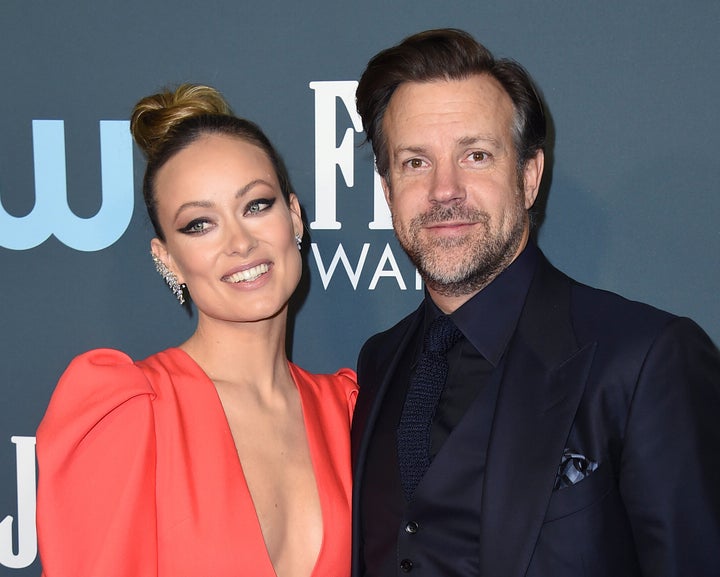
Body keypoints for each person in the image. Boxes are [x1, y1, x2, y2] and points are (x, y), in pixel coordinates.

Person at [351, 28, 720, 577]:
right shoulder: (378, 362)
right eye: (415, 163)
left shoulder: (646, 359)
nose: (444, 190)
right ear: (387, 192)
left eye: (475, 155)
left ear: (529, 177)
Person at [36, 84, 357, 577]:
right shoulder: (130, 412)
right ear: (168, 259)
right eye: (199, 225)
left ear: (294, 216)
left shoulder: (349, 411)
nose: (240, 242)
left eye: (256, 205)